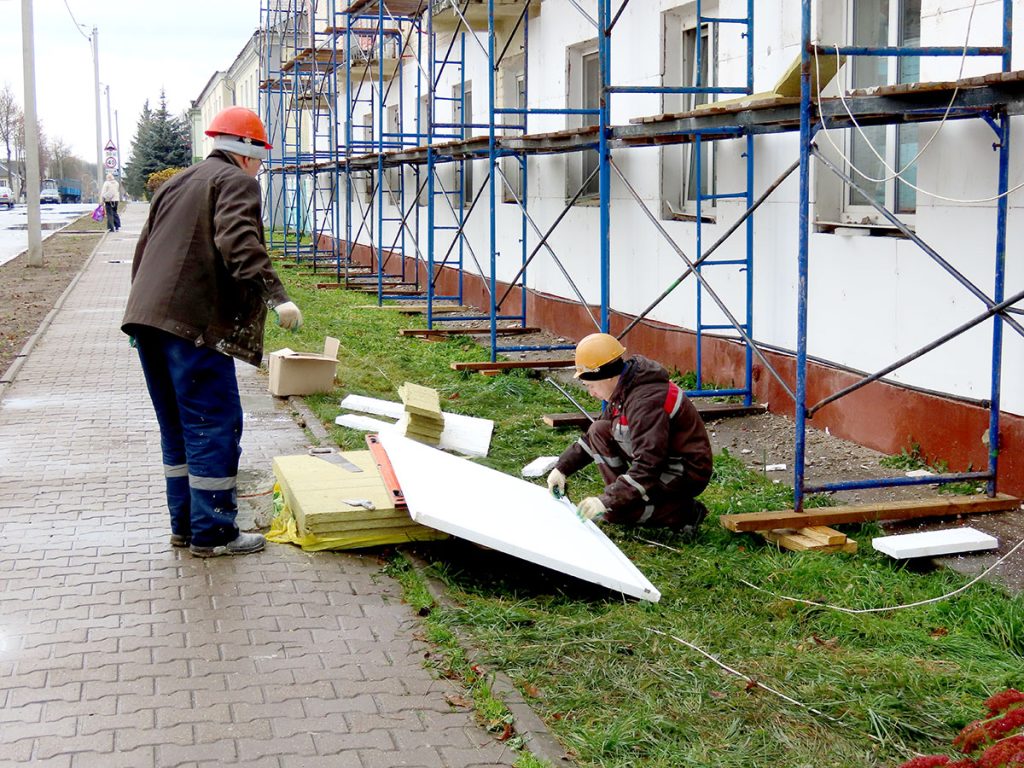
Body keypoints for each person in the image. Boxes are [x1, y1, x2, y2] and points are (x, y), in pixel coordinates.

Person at [122, 106, 303, 558]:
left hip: (149, 321)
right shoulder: (236, 182)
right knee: (212, 425)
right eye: (261, 159)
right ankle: (214, 534)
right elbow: (239, 241)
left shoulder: (177, 182)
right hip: (192, 327)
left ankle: (184, 526)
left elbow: (144, 251)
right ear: (246, 153)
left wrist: (142, 320)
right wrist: (277, 297)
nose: (260, 168)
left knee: (177, 428)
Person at [546, 333, 713, 539]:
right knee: (599, 429)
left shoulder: (646, 401)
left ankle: (684, 512)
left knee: (615, 512)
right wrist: (562, 468)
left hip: (684, 471)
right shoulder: (625, 387)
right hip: (664, 460)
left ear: (607, 377)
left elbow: (649, 464)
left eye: (591, 385)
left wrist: (608, 502)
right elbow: (594, 437)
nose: (591, 393)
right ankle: (626, 496)